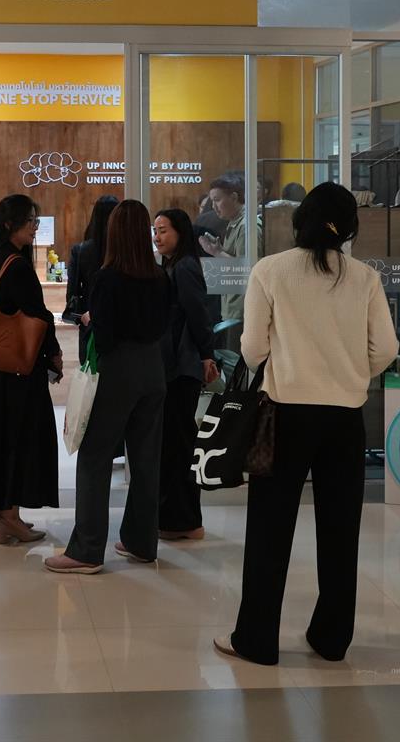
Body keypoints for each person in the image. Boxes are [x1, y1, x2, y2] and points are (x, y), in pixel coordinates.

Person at [215, 183, 398, 666]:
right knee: (341, 530)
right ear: (350, 228)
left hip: (285, 415)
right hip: (345, 418)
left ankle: (256, 639)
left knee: (269, 529)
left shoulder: (270, 270)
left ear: (300, 222)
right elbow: (386, 349)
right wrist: (351, 373)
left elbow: (253, 349)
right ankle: (331, 639)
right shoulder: (364, 278)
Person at [46, 200, 171, 574]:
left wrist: (92, 318)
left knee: (95, 456)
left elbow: (105, 334)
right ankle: (141, 542)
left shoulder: (108, 277)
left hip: (117, 371)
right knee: (146, 459)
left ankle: (86, 550)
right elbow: (164, 323)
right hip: (153, 370)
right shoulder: (160, 276)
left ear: (113, 233)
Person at [0, 194, 61, 545]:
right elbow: (38, 315)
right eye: (29, 221)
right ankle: (9, 514)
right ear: (10, 224)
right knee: (18, 439)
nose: (35, 227)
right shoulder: (16, 264)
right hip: (18, 369)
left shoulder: (0, 257)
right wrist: (53, 352)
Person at [152, 208, 217, 542]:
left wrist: (207, 354)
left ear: (180, 232)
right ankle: (181, 519)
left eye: (163, 230)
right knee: (176, 443)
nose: (157, 237)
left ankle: (185, 522)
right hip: (175, 366)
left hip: (182, 368)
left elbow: (197, 313)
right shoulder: (173, 265)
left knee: (178, 445)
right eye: (155, 231)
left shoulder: (185, 266)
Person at [65, 195, 118, 363]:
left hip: (90, 324)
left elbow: (72, 292)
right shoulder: (124, 250)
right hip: (120, 326)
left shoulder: (81, 250)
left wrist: (82, 316)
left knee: (91, 373)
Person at [200, 175, 249, 351]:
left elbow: (248, 269)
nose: (213, 206)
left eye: (217, 200)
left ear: (234, 197)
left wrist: (216, 253)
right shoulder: (235, 223)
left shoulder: (246, 226)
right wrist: (218, 251)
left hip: (242, 312)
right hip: (233, 309)